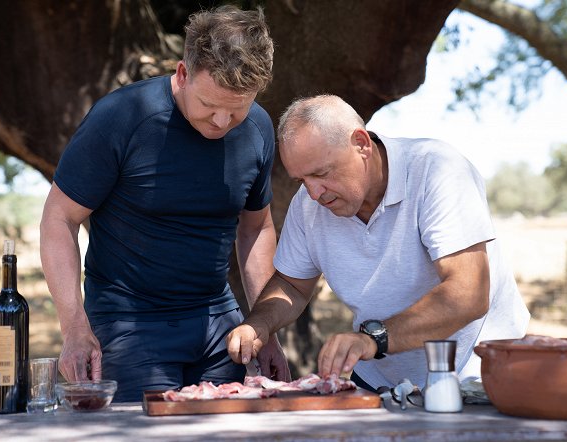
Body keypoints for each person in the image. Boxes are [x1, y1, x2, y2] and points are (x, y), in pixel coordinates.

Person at [40, 5, 289, 402]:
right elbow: (59, 218)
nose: (222, 122)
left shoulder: (258, 129)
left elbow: (255, 227)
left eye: (237, 108)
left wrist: (265, 328)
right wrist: (73, 326)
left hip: (218, 321)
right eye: (209, 105)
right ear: (183, 74)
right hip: (129, 321)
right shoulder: (121, 118)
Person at [227, 94, 530, 392]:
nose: (315, 192)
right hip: (380, 380)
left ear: (361, 144)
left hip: (474, 374)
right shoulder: (308, 204)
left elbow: (468, 294)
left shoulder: (436, 170)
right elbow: (291, 286)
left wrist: (374, 339)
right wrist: (259, 325)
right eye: (301, 180)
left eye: (321, 173)